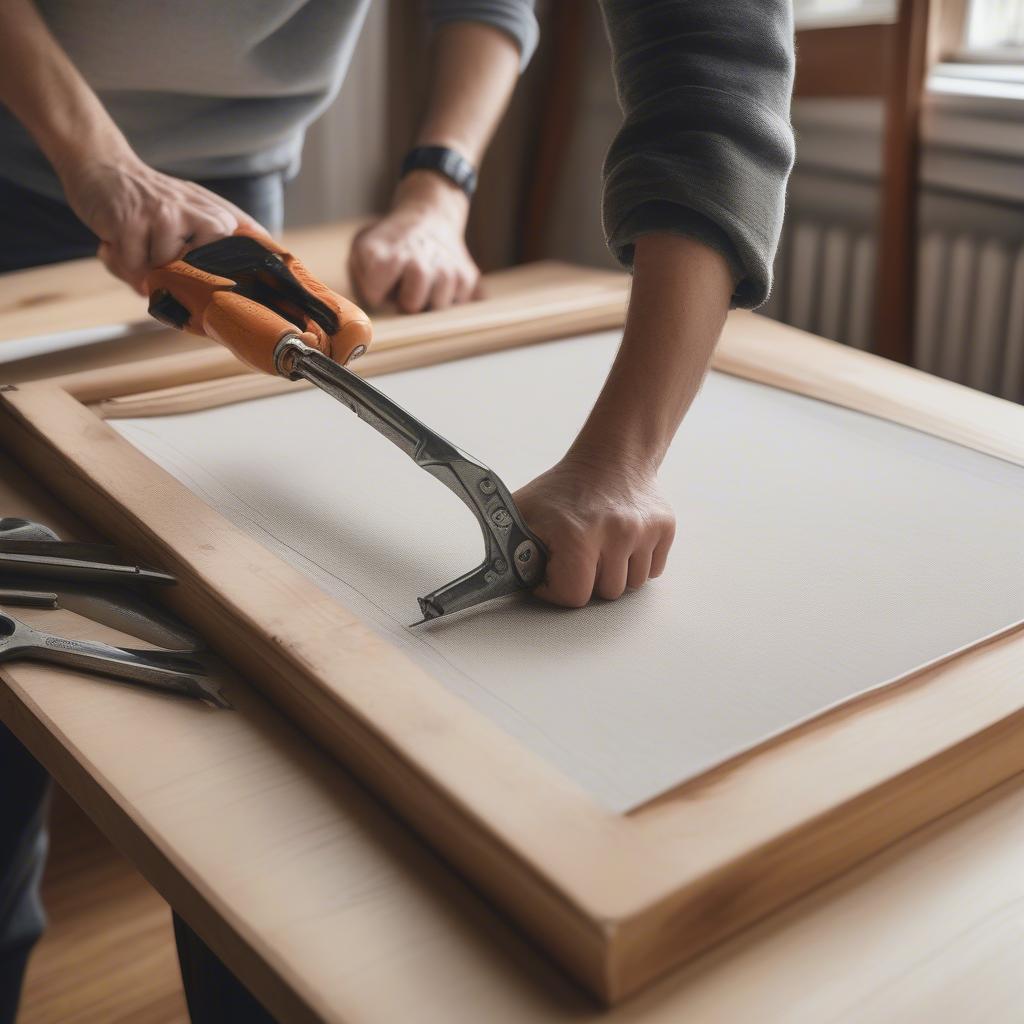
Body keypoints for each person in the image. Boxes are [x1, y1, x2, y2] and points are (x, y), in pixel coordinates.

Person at [0, 1, 793, 1020]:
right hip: (18, 142)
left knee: (254, 850)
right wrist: (98, 159)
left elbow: (706, 53)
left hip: (227, 198)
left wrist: (439, 188)